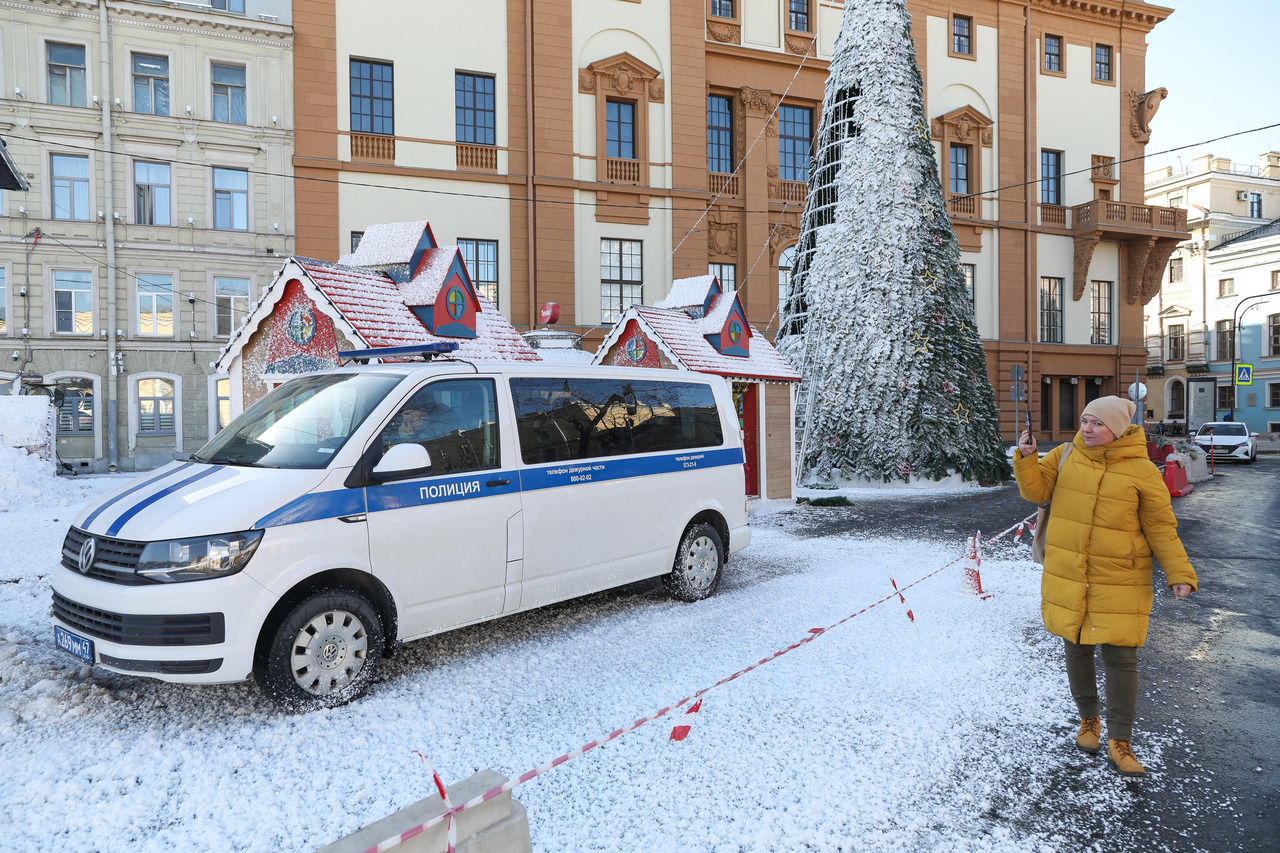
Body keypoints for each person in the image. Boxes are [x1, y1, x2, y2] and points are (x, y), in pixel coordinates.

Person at [1014, 395, 1197, 777]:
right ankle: (1088, 721)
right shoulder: (1064, 456)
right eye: (1084, 420)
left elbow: (1161, 528)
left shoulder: (1142, 471)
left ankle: (1121, 740)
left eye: (1097, 423)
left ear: (1116, 429)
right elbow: (1035, 492)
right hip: (1071, 574)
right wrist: (1028, 458)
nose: (1087, 429)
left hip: (1121, 579)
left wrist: (1179, 573)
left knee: (1122, 659)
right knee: (1077, 649)